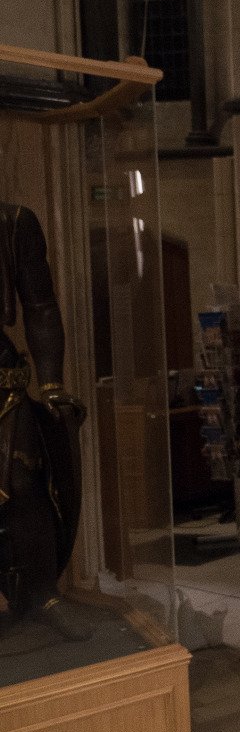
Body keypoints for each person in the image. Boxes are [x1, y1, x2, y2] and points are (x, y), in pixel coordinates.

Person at [0, 202, 88, 642]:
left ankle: (40, 593)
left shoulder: (13, 223)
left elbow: (40, 305)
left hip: (2, 382)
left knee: (23, 478)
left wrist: (52, 384)